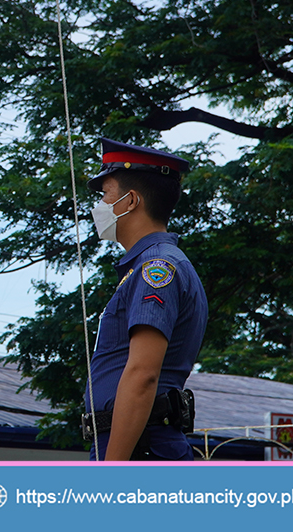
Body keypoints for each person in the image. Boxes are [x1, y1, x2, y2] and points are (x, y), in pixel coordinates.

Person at [82, 138, 208, 461]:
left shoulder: (157, 268)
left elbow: (142, 375)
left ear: (131, 201)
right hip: (140, 446)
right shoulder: (148, 267)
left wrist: (112, 471)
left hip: (143, 449)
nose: (100, 205)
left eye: (105, 194)